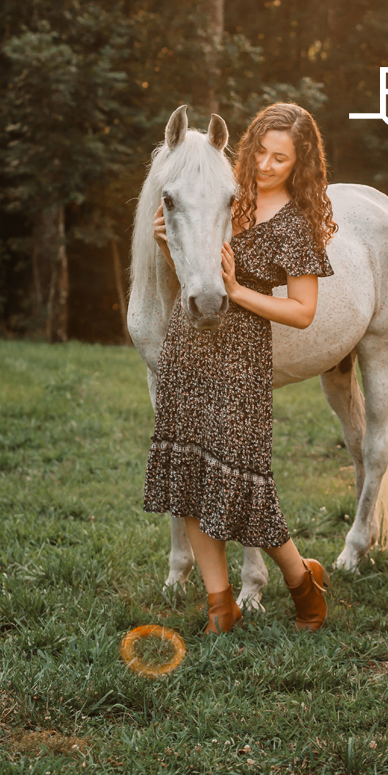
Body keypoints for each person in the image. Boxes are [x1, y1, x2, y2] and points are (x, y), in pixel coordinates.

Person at [143, 102, 337, 634]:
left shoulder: (296, 226)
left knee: (247, 486)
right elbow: (189, 247)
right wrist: (169, 242)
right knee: (187, 478)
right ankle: (219, 606)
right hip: (188, 345)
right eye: (263, 153)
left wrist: (237, 291)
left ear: (300, 166)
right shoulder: (224, 194)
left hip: (241, 354)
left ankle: (303, 584)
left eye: (282, 159)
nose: (268, 165)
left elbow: (303, 312)